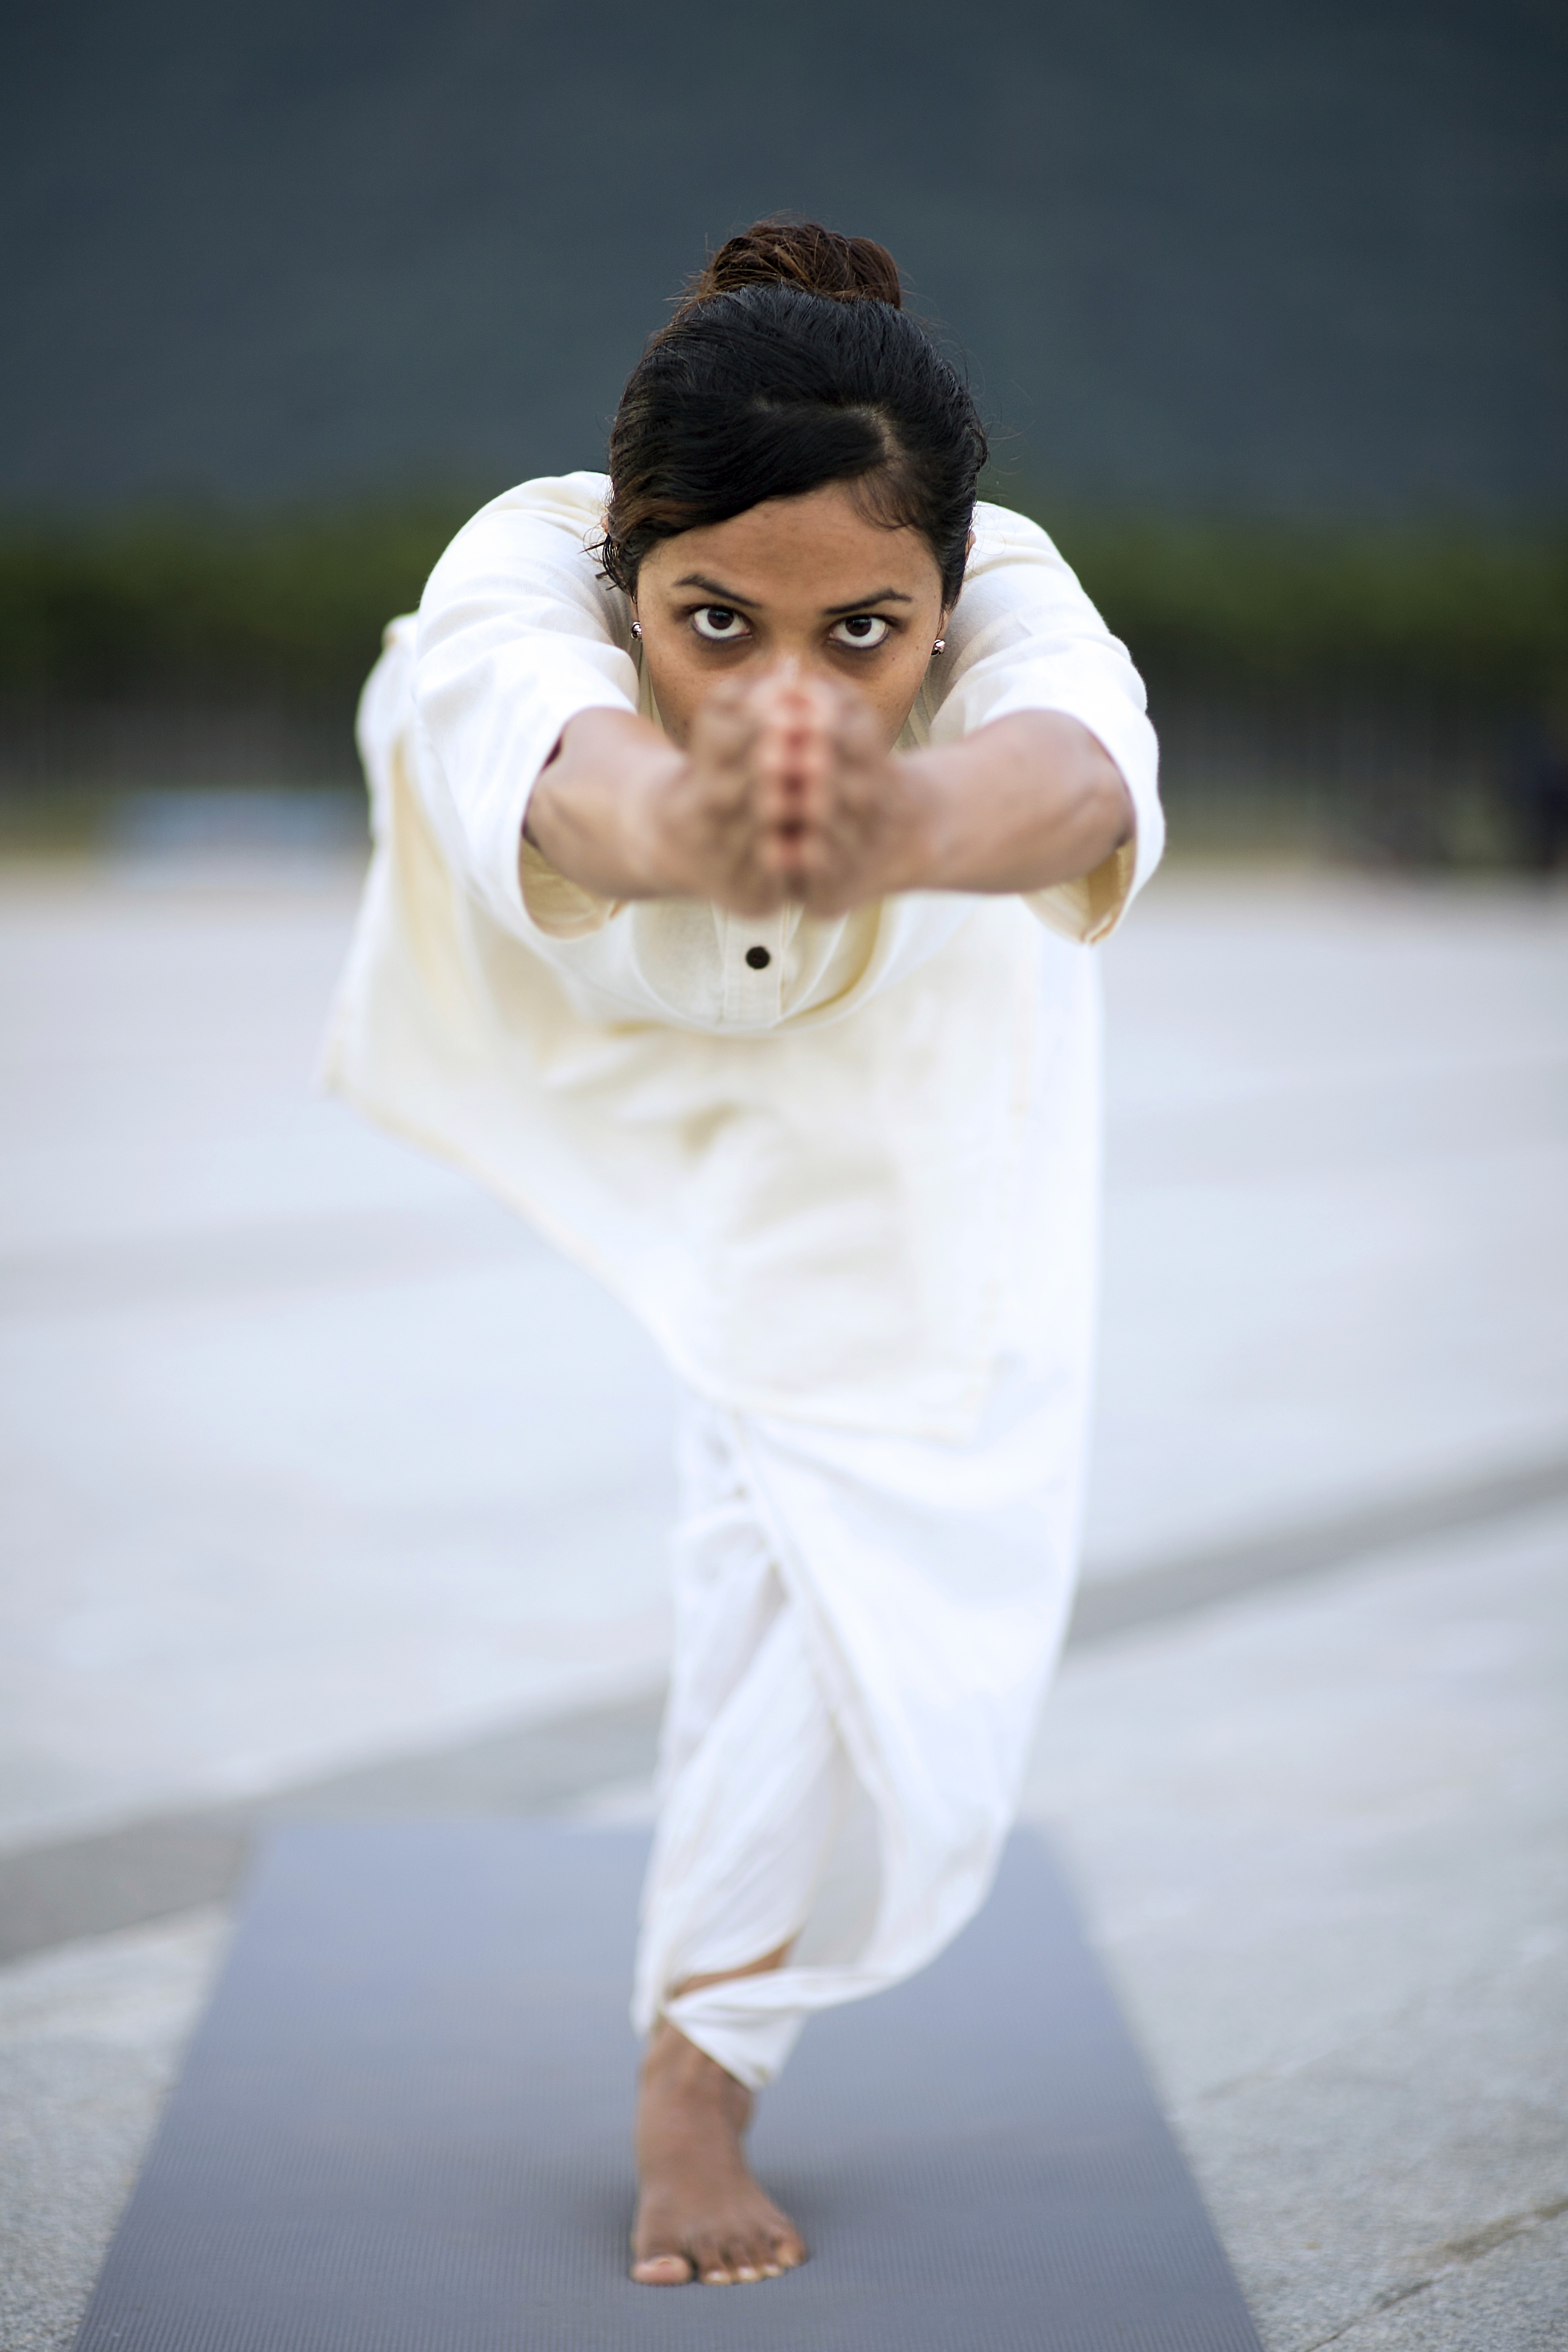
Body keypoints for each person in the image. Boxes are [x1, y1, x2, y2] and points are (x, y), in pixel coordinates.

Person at [323, 219, 1162, 2289]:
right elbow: (582, 776)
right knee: (494, 724)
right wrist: (703, 811)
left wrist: (893, 818)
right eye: (711, 619)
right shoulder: (518, 582)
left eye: (867, 633)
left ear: (949, 597)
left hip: (892, 1037)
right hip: (594, 994)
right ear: (625, 568)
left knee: (811, 1525)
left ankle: (698, 2068)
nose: (787, 676)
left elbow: (1069, 768)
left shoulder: (1015, 600)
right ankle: (703, 2055)